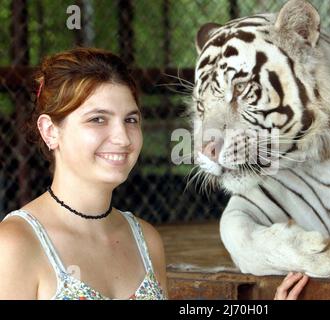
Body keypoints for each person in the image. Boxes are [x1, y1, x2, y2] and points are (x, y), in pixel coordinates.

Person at [0, 47, 308, 300]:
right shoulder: (16, 244)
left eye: (131, 120)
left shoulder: (145, 239)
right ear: (50, 131)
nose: (122, 137)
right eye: (98, 119)